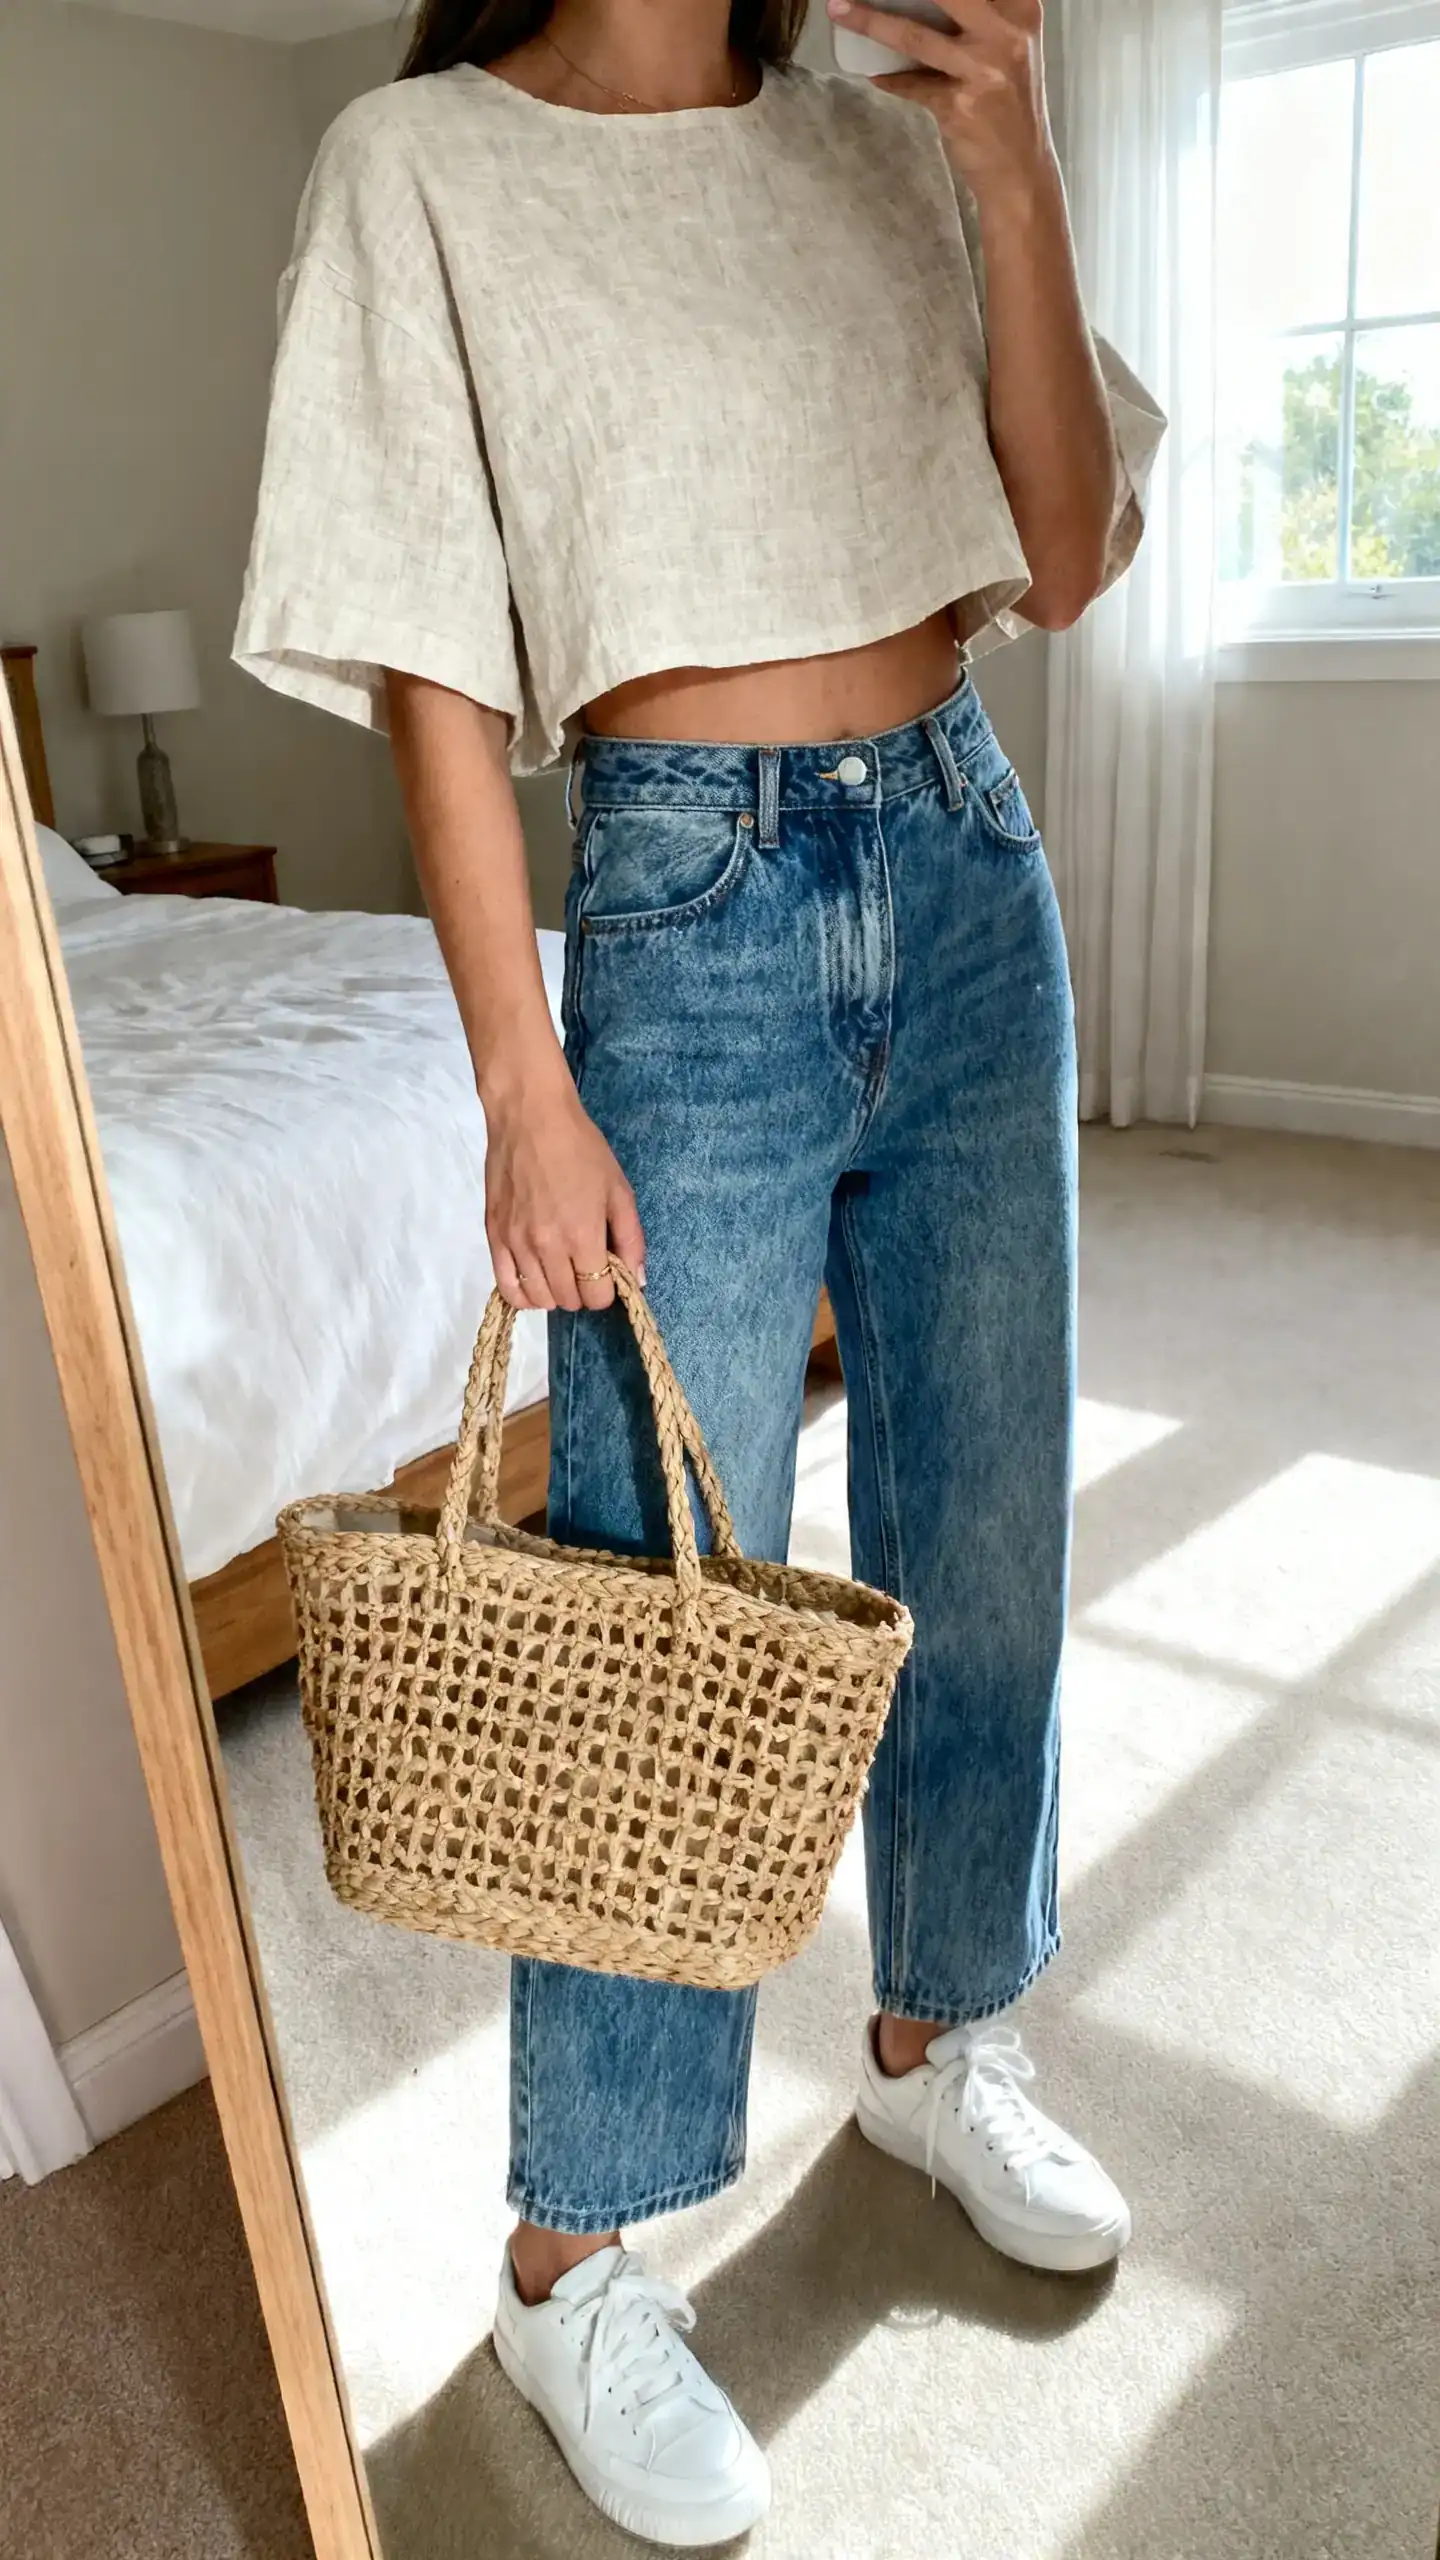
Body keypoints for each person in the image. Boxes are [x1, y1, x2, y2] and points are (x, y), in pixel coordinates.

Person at [234, 0, 1164, 2541]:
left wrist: (1014, 154)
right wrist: (519, 1072)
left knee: (985, 1530)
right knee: (671, 1603)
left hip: (971, 863)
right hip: (681, 910)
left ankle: (942, 2025)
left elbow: (1067, 557)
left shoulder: (893, 135)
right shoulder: (418, 164)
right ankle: (576, 2247)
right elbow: (432, 663)